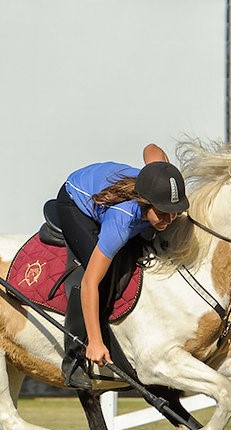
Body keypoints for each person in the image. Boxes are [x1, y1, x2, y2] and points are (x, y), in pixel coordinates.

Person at [53, 145, 190, 389]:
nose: (169, 220)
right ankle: (73, 357)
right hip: (74, 201)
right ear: (146, 203)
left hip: (106, 190)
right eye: (163, 214)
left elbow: (150, 149)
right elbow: (89, 283)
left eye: (174, 213)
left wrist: (163, 169)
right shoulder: (121, 222)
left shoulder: (156, 184)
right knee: (100, 276)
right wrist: (95, 341)